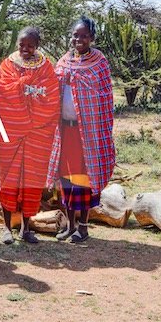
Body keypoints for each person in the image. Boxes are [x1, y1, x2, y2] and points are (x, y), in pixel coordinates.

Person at [47, 16, 115, 243]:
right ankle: (69, 224)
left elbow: (104, 98)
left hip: (87, 133)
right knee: (65, 178)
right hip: (64, 131)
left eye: (84, 35)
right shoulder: (63, 61)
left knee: (83, 178)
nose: (79, 39)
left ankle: (83, 226)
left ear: (92, 38)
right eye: (76, 35)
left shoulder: (99, 62)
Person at [0, 27, 60, 244]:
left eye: (30, 45)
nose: (25, 49)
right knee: (9, 179)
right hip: (12, 130)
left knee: (31, 180)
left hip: (37, 133)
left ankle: (25, 228)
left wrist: (29, 92)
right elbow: (2, 92)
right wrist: (25, 87)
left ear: (37, 46)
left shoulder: (45, 66)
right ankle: (6, 228)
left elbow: (50, 95)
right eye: (22, 44)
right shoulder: (7, 64)